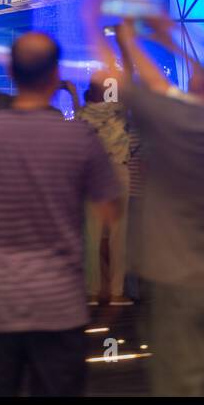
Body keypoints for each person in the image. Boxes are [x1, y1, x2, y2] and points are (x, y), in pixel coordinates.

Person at [89, 0, 204, 397]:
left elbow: (131, 83)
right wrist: (169, 39)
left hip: (181, 282)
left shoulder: (179, 121)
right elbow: (193, 86)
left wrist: (115, 35)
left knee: (181, 385)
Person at [0, 32, 121, 396]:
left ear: (11, 71)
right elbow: (109, 210)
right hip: (59, 304)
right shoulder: (79, 137)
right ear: (56, 74)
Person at [74, 69, 133, 306]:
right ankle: (117, 291)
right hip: (119, 171)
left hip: (93, 174)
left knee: (92, 233)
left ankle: (92, 290)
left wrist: (71, 92)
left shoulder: (83, 113)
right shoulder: (120, 110)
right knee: (119, 234)